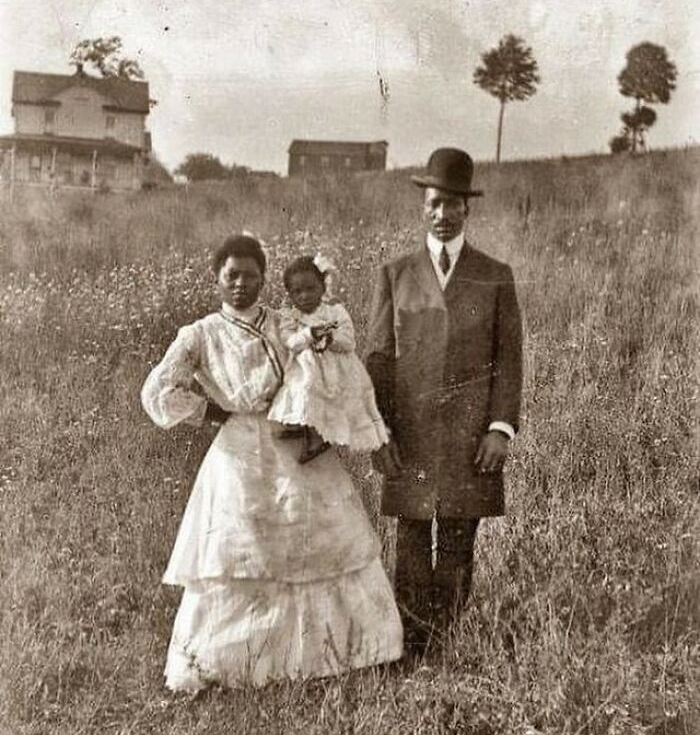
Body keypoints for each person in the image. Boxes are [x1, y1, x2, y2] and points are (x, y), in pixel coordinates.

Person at [141, 234, 402, 691]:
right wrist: (210, 411)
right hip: (238, 452)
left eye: (251, 275)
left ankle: (334, 655)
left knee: (318, 540)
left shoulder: (286, 323)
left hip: (295, 441)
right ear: (217, 278)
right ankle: (236, 664)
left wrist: (320, 418)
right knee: (245, 548)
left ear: (265, 278)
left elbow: (323, 369)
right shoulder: (200, 334)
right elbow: (158, 392)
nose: (241, 284)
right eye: (232, 275)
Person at [365, 148, 523, 654]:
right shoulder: (395, 274)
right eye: (434, 203)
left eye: (452, 204)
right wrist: (377, 432)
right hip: (407, 434)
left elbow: (509, 359)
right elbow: (377, 362)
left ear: (467, 209)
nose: (441, 214)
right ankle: (409, 641)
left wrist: (500, 428)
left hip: (470, 436)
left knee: (458, 535)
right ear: (422, 206)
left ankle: (446, 642)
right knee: (410, 539)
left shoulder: (495, 275)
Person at [267, 253, 389, 463]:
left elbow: (349, 342)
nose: (304, 296)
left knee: (322, 394)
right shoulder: (291, 317)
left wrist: (330, 339)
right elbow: (291, 343)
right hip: (306, 367)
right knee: (304, 388)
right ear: (290, 295)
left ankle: (319, 438)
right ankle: (301, 428)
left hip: (337, 369)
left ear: (323, 288)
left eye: (310, 289)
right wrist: (309, 334)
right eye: (297, 292)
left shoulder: (335, 312)